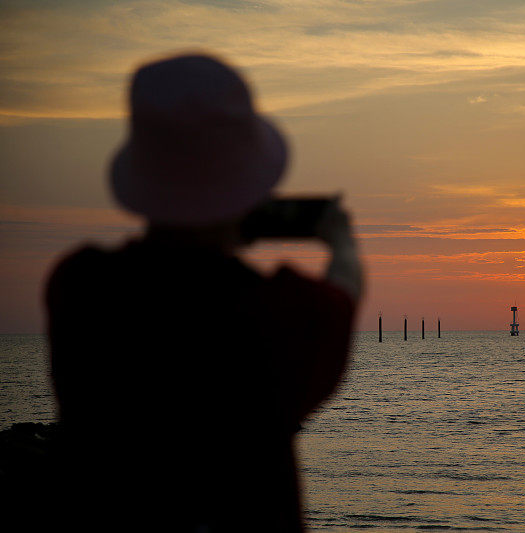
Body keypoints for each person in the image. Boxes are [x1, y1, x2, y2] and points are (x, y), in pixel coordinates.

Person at [43, 54, 362, 531]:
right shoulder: (280, 314)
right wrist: (339, 240)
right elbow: (343, 292)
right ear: (249, 187)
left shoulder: (79, 286)